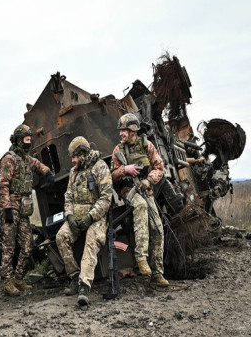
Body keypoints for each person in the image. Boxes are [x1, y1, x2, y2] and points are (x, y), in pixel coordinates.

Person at [110, 113, 169, 287]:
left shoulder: (147, 145)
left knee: (158, 228)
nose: (121, 134)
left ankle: (158, 273)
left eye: (124, 130)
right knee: (141, 206)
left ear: (133, 131)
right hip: (129, 192)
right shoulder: (118, 151)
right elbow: (112, 176)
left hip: (145, 190)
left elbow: (159, 167)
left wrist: (149, 180)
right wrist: (124, 170)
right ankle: (141, 257)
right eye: (120, 130)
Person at [56, 136, 113, 307]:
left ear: (82, 153)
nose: (72, 161)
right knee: (61, 237)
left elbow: (106, 198)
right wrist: (70, 216)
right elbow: (68, 198)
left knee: (91, 240)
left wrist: (90, 216)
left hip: (96, 218)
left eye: (74, 156)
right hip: (77, 218)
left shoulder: (100, 167)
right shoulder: (73, 173)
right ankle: (74, 277)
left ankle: (84, 286)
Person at [0, 124, 55, 296]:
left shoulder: (27, 159)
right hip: (11, 208)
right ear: (18, 140)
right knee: (8, 246)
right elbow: (3, 185)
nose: (29, 143)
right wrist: (6, 208)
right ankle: (8, 282)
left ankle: (19, 278)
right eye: (26, 139)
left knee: (28, 245)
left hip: (23, 209)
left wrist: (47, 173)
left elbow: (39, 165)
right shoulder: (9, 159)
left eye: (30, 140)